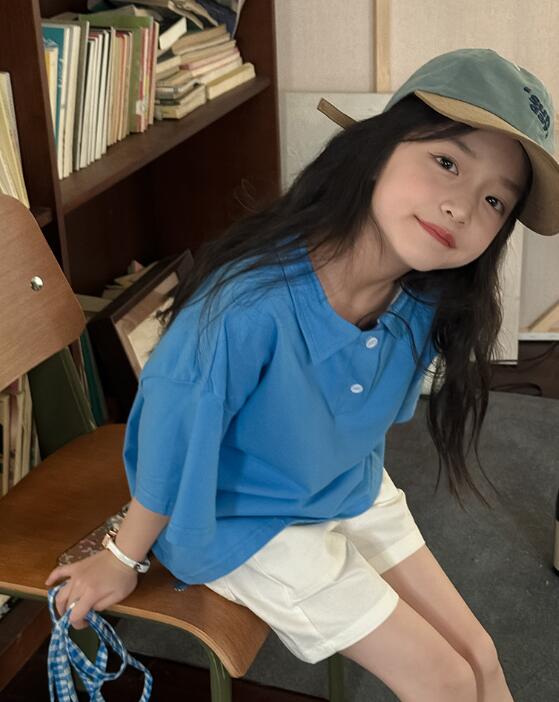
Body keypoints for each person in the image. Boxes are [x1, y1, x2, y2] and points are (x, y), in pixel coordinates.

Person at [45, 48, 559, 702]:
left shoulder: (425, 298)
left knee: (480, 658)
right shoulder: (249, 303)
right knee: (445, 679)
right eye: (447, 162)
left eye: (493, 200)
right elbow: (171, 437)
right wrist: (122, 558)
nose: (461, 207)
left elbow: (365, 419)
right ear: (377, 149)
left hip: (339, 480)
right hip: (242, 516)